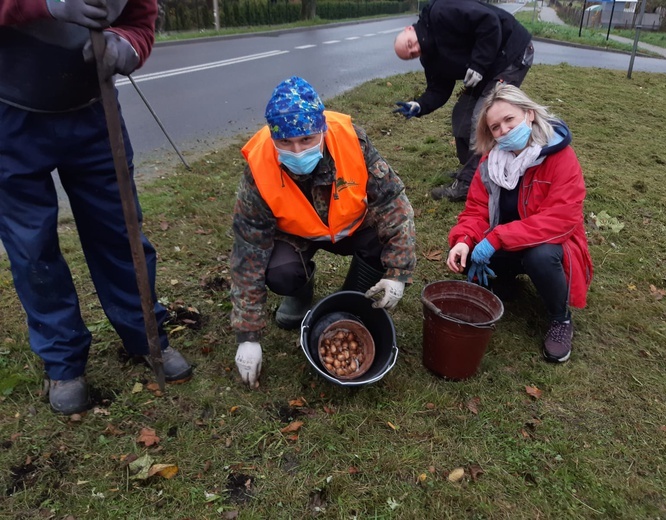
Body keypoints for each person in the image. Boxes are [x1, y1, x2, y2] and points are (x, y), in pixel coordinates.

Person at [0, 0, 192, 415]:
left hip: (93, 112)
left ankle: (147, 338)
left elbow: (140, 21)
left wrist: (128, 45)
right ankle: (63, 360)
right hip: (9, 113)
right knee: (32, 248)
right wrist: (46, 5)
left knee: (119, 231)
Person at [230, 76, 416, 388]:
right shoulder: (259, 168)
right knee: (280, 272)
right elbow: (248, 250)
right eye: (285, 143)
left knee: (378, 244)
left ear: (322, 130)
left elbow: (392, 201)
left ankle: (352, 303)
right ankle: (301, 293)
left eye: (306, 140)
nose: (297, 151)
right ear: (273, 138)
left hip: (352, 226)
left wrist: (398, 272)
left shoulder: (351, 141)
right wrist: (247, 335)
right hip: (296, 235)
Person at [446, 84, 593, 363]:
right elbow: (476, 211)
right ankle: (506, 283)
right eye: (495, 127)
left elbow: (560, 219)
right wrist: (464, 241)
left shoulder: (560, 156)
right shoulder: (491, 163)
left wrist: (496, 238)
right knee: (466, 261)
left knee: (540, 256)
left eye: (509, 120)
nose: (504, 131)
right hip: (507, 241)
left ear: (529, 115)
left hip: (552, 246)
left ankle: (560, 320)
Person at [393, 0, 533, 203]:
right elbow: (439, 89)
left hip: (512, 52)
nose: (414, 49)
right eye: (411, 54)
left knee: (482, 119)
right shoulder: (430, 57)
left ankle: (469, 184)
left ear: (409, 29)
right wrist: (420, 105)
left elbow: (489, 22)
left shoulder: (441, 11)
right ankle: (473, 170)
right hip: (487, 68)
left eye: (410, 44)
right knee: (462, 118)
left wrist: (477, 64)